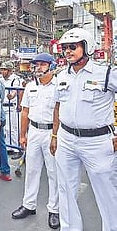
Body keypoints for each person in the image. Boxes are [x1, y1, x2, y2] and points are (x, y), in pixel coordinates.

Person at [51, 28, 117, 231]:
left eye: (73, 47)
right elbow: (57, 106)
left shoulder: (106, 73)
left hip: (97, 142)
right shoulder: (61, 76)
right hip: (67, 139)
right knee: (66, 190)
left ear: (86, 47)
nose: (68, 51)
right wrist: (54, 135)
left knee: (107, 192)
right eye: (65, 48)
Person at [11, 53, 59, 229]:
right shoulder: (30, 86)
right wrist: (23, 135)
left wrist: (55, 135)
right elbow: (25, 112)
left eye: (42, 64)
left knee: (54, 172)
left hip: (50, 133)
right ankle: (28, 205)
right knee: (31, 170)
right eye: (36, 64)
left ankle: (55, 209)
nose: (37, 67)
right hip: (34, 132)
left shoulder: (58, 86)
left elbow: (59, 113)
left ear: (51, 66)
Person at [0, 61, 24, 158]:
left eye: (5, 70)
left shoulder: (15, 79)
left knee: (13, 128)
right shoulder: (0, 79)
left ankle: (17, 148)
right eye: (2, 70)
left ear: (10, 71)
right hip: (2, 106)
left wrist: (12, 96)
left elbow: (17, 91)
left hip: (11, 106)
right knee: (6, 128)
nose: (3, 72)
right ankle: (9, 147)